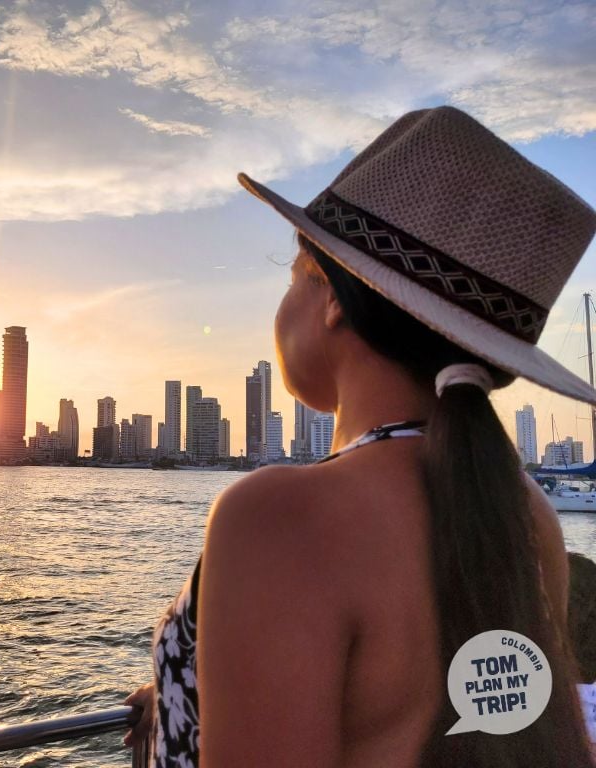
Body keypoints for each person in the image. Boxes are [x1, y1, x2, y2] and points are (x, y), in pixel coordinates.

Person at [125, 106, 596, 767]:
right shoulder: (530, 514)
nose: (282, 299)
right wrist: (193, 696)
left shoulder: (278, 519)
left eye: (294, 273)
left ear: (334, 299)